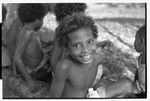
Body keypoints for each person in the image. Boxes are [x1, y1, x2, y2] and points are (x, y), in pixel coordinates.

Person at [49, 13, 139, 98]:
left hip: (89, 96)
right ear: (66, 47)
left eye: (89, 42)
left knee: (127, 85)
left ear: (94, 39)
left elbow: (99, 76)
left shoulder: (97, 59)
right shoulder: (64, 66)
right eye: (76, 45)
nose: (86, 50)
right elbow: (54, 97)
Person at [9, 4, 49, 92]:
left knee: (50, 47)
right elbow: (17, 57)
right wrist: (29, 80)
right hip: (35, 69)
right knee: (54, 62)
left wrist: (15, 70)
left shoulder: (24, 28)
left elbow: (19, 47)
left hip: (35, 61)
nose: (42, 22)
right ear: (37, 20)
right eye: (42, 19)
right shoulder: (28, 33)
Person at [50, 3, 87, 72]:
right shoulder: (60, 32)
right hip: (68, 74)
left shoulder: (82, 29)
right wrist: (59, 78)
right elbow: (54, 60)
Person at [134, 25, 146, 97]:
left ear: (142, 41)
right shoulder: (141, 57)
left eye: (135, 39)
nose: (134, 41)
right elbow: (137, 74)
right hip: (139, 91)